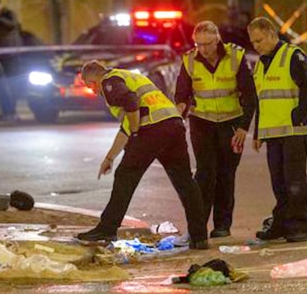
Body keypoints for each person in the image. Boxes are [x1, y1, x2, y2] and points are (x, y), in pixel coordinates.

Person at [77, 60, 208, 249]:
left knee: (125, 176)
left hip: (152, 130)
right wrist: (110, 157)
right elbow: (126, 127)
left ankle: (107, 228)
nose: (92, 90)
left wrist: (137, 131)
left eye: (89, 85)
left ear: (92, 79)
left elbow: (131, 103)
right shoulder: (130, 76)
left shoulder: (109, 82)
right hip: (173, 125)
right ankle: (199, 236)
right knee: (184, 181)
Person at [175, 21, 257, 238]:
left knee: (226, 175)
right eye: (198, 44)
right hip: (202, 122)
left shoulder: (235, 57)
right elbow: (181, 93)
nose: (203, 49)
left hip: (231, 123)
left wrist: (243, 128)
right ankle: (198, 225)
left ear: (217, 39)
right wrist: (180, 109)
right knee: (204, 173)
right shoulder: (189, 60)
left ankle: (222, 225)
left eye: (207, 44)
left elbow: (250, 95)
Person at [248, 17, 307, 243]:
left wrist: (302, 112)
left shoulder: (292, 55)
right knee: (278, 181)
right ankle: (282, 223)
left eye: (259, 40)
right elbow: (261, 100)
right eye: (253, 42)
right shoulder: (260, 63)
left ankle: (299, 226)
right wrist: (257, 131)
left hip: (294, 129)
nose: (256, 46)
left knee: (294, 180)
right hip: (273, 131)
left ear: (270, 33)